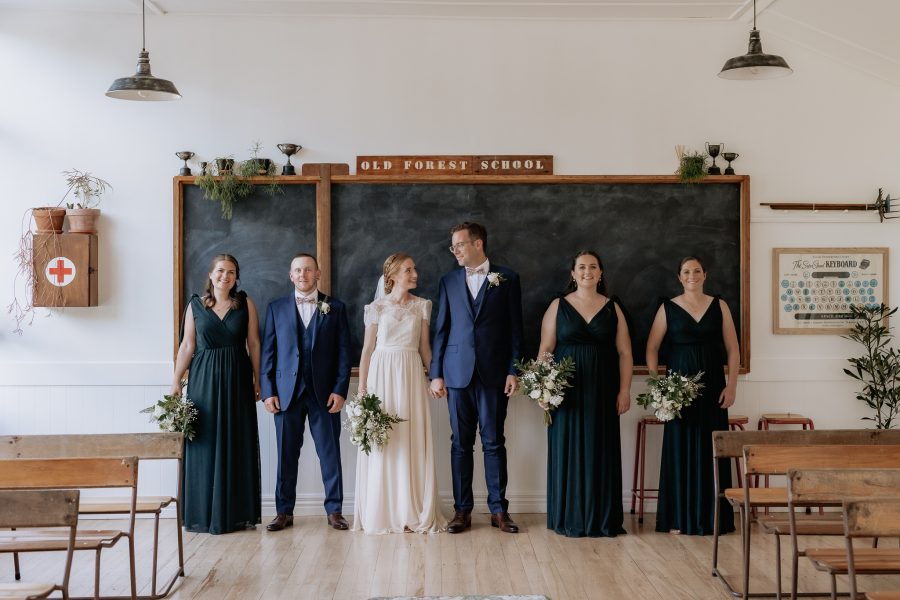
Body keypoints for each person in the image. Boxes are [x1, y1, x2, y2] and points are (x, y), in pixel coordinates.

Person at [429, 222, 524, 534]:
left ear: (478, 244)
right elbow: (441, 329)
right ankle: (462, 511)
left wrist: (514, 369)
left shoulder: (507, 278)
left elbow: (515, 329)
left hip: (494, 373)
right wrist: (436, 374)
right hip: (456, 375)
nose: (454, 250)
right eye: (453, 246)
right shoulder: (448, 281)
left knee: (494, 442)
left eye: (459, 244)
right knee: (460, 444)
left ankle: (499, 510)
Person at [537, 250, 632, 537]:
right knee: (568, 450)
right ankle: (569, 517)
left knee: (600, 451)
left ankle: (601, 520)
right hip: (566, 393)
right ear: (573, 273)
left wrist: (625, 390)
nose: (587, 271)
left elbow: (625, 352)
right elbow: (545, 350)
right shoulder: (558, 305)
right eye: (581, 267)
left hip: (603, 391)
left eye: (593, 267)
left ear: (601, 273)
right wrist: (543, 389)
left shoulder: (613, 307)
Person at [353, 254, 448, 534]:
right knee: (387, 440)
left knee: (410, 438)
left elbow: (425, 349)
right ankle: (385, 510)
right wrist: (362, 388)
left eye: (415, 268)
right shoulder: (376, 308)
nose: (415, 273)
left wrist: (435, 377)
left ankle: (411, 509)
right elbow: (368, 349)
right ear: (392, 275)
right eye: (409, 269)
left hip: (409, 374)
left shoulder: (422, 306)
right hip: (381, 377)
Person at [646, 256, 739, 535]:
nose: (692, 275)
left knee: (712, 448)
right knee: (681, 449)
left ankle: (714, 518)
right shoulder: (668, 308)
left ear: (705, 274)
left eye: (697, 271)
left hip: (713, 388)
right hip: (679, 391)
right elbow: (651, 348)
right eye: (686, 271)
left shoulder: (719, 305)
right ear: (679, 276)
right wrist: (657, 386)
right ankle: (678, 518)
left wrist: (732, 385)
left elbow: (733, 348)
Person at [260, 253, 352, 532]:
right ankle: (283, 512)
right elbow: (268, 353)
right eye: (298, 270)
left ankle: (334, 510)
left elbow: (343, 353)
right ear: (291, 275)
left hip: (324, 394)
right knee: (286, 454)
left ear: (318, 274)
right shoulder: (276, 308)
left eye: (308, 270)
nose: (303, 275)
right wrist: (268, 392)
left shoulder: (335, 307)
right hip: (286, 394)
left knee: (330, 453)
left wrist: (339, 390)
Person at [171, 254, 262, 534]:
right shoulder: (195, 305)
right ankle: (202, 512)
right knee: (205, 443)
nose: (226, 276)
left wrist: (258, 379)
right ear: (211, 275)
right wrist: (176, 380)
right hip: (203, 381)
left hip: (237, 379)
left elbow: (254, 344)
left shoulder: (245, 303)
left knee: (236, 441)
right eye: (221, 271)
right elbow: (188, 345)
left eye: (231, 272)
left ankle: (235, 513)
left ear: (236, 277)